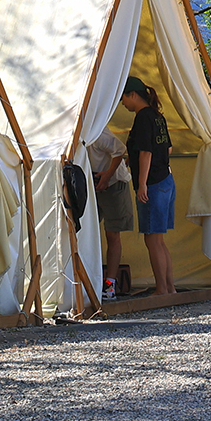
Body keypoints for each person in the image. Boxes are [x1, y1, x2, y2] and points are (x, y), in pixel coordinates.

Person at [121, 75, 176, 296]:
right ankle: (170, 287)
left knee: (152, 239)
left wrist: (142, 183)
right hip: (165, 180)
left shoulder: (143, 117)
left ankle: (162, 289)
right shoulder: (157, 116)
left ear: (133, 95)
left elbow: (146, 152)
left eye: (123, 98)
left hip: (152, 184)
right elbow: (167, 149)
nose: (123, 104)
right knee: (158, 240)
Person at [85, 128, 132, 299]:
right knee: (86, 234)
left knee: (112, 234)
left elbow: (119, 151)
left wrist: (107, 176)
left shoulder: (97, 132)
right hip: (92, 186)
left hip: (113, 184)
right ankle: (89, 281)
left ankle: (110, 285)